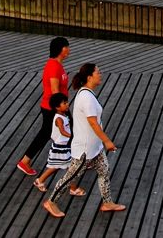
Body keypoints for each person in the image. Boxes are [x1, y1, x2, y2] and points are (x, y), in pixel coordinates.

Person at [43, 63, 125, 217]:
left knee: (104, 171)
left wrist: (101, 144)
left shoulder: (87, 93)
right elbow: (93, 123)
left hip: (95, 148)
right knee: (69, 178)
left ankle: (107, 202)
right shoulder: (86, 97)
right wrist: (107, 141)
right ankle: (51, 202)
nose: (100, 74)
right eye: (98, 72)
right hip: (85, 151)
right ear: (89, 77)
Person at [16, 37, 70, 176]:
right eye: (66, 47)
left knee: (46, 134)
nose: (68, 49)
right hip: (52, 108)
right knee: (58, 132)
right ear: (60, 49)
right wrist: (62, 109)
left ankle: (25, 161)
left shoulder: (57, 64)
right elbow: (54, 90)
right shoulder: (53, 66)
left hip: (55, 107)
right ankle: (25, 161)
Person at [33, 94, 85, 196]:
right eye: (64, 103)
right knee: (70, 168)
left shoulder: (64, 115)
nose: (67, 104)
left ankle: (40, 180)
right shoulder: (59, 119)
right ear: (57, 107)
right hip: (60, 147)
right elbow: (62, 131)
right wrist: (72, 136)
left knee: (56, 166)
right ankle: (73, 188)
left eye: (67, 102)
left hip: (63, 146)